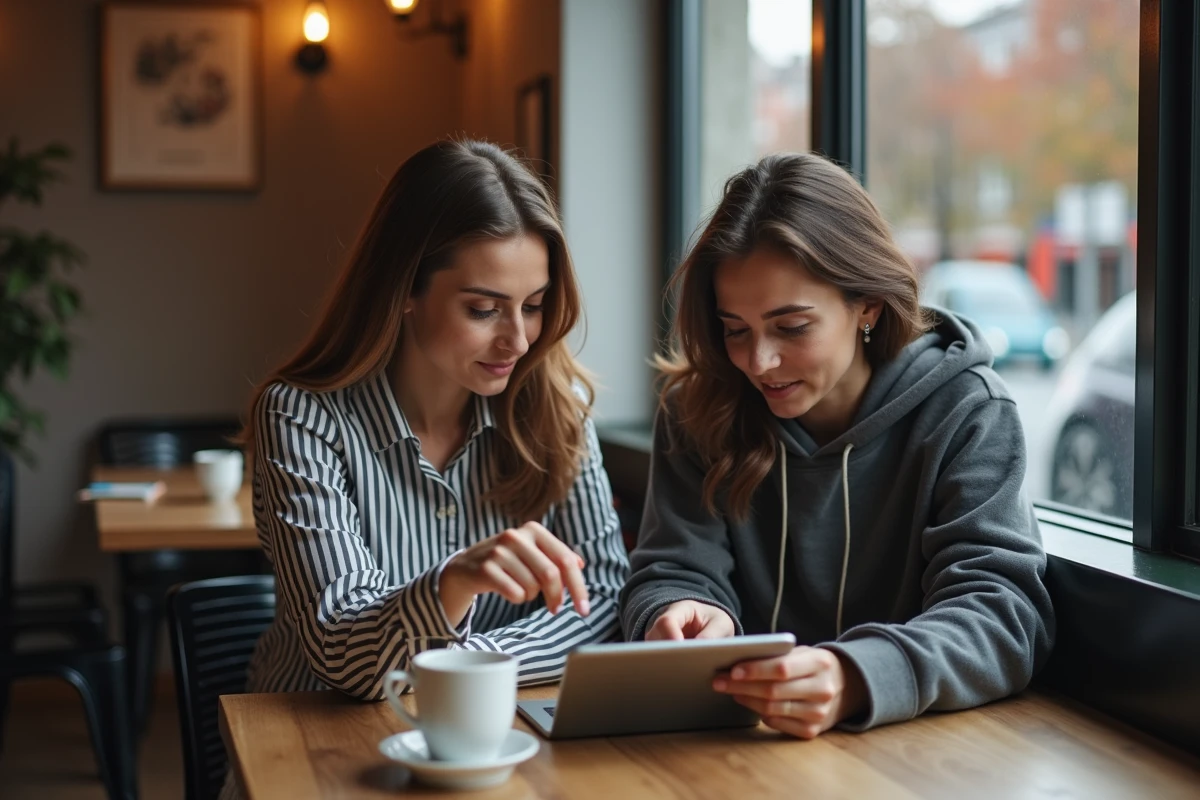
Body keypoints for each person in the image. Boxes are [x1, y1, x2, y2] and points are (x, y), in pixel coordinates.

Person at [619, 152, 1054, 739]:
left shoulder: (967, 411)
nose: (758, 362)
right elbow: (672, 568)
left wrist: (857, 674)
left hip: (907, 756)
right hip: (733, 746)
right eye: (735, 329)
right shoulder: (699, 408)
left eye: (792, 327)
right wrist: (676, 611)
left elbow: (1003, 615)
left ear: (866, 305)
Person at [241, 139, 631, 700]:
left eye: (534, 304)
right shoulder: (302, 418)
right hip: (310, 745)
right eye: (483, 309)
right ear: (404, 289)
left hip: (493, 736)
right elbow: (344, 655)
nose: (518, 340)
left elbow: (603, 599)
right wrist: (453, 585)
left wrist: (468, 663)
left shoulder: (556, 406)